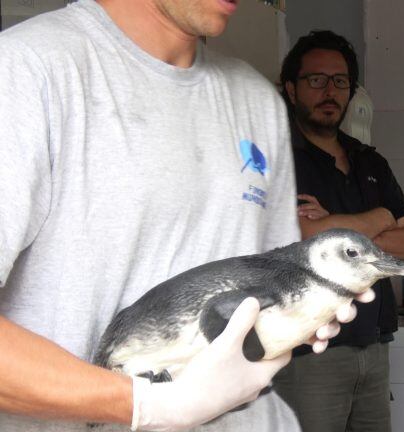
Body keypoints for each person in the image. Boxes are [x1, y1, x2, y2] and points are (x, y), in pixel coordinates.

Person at [0, 1, 369, 431]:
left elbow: (261, 284)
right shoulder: (26, 70)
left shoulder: (255, 100)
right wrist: (153, 405)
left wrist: (298, 313)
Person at [272, 30, 404, 432]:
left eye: (340, 81)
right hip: (309, 352)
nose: (330, 91)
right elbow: (302, 240)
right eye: (316, 80)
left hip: (373, 346)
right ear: (291, 88)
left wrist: (331, 226)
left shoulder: (369, 162)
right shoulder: (279, 159)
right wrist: (379, 217)